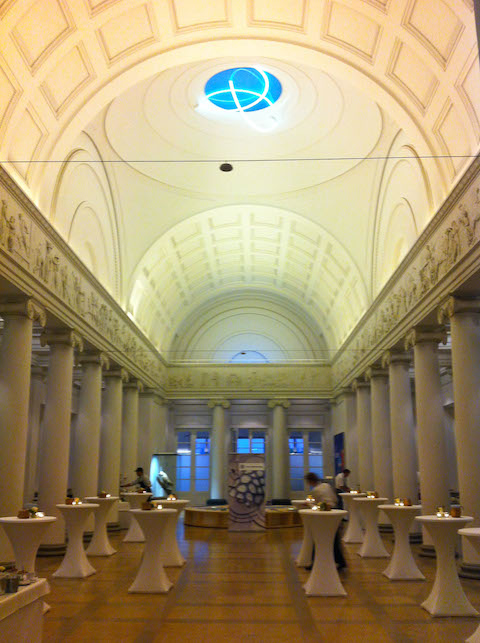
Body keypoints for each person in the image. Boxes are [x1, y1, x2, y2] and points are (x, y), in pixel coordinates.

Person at [304, 472, 346, 571]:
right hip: (334, 513)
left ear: (310, 481)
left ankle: (315, 563)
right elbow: (335, 499)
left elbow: (315, 506)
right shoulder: (326, 485)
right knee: (334, 538)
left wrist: (309, 504)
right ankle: (340, 561)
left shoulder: (315, 491)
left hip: (323, 516)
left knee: (318, 538)